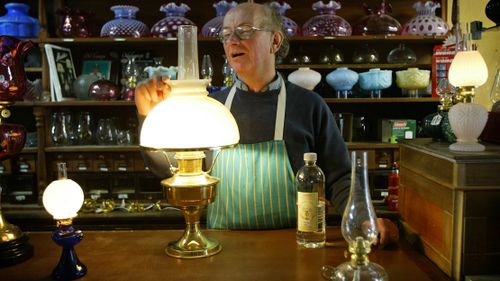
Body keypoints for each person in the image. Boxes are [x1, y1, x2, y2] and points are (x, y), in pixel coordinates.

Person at [135, 3, 397, 247]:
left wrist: (364, 219)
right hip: (220, 246)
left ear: (275, 41)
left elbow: (339, 178)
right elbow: (171, 169)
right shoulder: (210, 108)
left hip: (295, 244)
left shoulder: (309, 105)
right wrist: (147, 116)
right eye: (226, 34)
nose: (232, 41)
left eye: (245, 31)